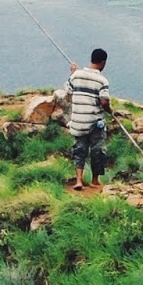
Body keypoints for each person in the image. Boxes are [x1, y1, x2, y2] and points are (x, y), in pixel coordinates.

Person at [62, 48, 111, 190]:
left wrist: (73, 73)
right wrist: (109, 110)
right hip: (95, 122)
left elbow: (68, 89)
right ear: (103, 62)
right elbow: (104, 102)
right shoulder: (102, 80)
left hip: (78, 121)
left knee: (80, 149)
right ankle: (95, 181)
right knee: (97, 150)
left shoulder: (77, 75)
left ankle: (78, 180)